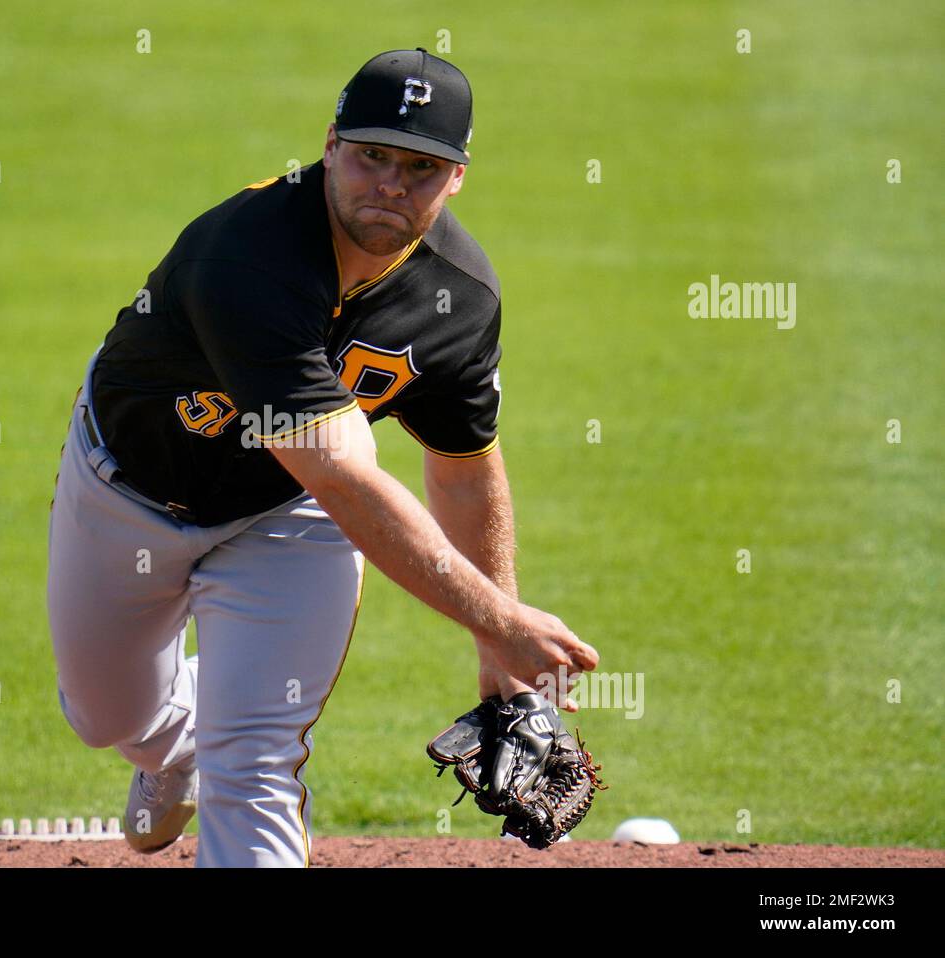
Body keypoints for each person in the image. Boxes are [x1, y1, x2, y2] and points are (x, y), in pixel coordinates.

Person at [46, 48, 598, 868]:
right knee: (106, 717)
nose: (390, 183)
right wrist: (500, 620)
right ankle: (175, 745)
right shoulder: (245, 258)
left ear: (457, 178)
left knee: (258, 759)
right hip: (131, 488)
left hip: (292, 519)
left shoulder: (459, 300)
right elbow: (340, 470)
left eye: (420, 167)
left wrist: (500, 657)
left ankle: (226, 735)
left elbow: (462, 465)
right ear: (330, 144)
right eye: (372, 155)